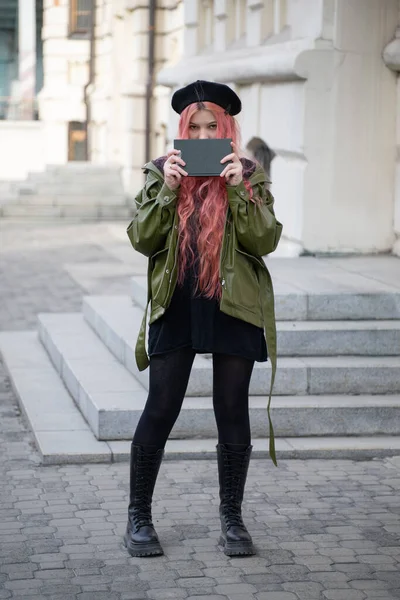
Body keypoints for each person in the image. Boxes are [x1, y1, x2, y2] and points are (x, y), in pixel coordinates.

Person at [126, 80, 283, 558]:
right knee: (161, 407)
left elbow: (265, 241)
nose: (201, 134)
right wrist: (170, 193)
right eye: (193, 127)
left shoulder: (250, 176)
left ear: (226, 128)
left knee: (232, 410)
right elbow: (142, 239)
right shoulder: (159, 173)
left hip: (234, 304)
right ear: (181, 131)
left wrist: (239, 192)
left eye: (211, 125)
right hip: (177, 300)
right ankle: (138, 517)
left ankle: (232, 519)